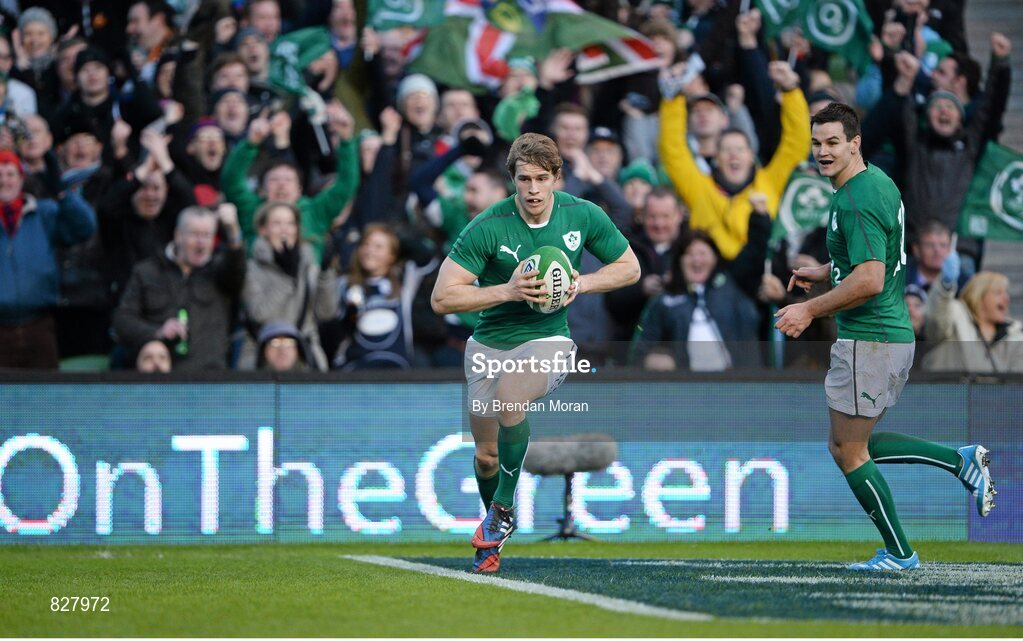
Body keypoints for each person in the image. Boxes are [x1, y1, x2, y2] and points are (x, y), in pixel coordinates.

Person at [774, 103, 996, 571]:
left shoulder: (855, 198)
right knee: (853, 445)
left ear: (855, 143)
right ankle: (960, 463)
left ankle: (901, 552)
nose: (823, 152)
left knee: (848, 450)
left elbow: (871, 278)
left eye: (833, 142)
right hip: (884, 335)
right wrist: (826, 271)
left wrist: (809, 309)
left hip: (871, 338)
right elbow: (877, 258)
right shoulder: (875, 182)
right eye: (817, 143)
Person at [430, 133, 639, 573]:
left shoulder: (582, 214)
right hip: (489, 344)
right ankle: (492, 542)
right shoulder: (488, 225)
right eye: (524, 179)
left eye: (542, 179)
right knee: (486, 456)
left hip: (549, 340)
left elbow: (629, 268)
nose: (533, 189)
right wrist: (507, 290)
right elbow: (442, 298)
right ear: (512, 179)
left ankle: (503, 508)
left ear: (557, 177)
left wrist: (582, 282)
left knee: (511, 396)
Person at [924, 270, 1023, 373]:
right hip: (943, 383)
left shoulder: (1015, 334)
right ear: (979, 294)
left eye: (1006, 293)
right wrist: (944, 288)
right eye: (998, 292)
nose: (1006, 298)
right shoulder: (955, 313)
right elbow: (936, 322)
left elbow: (1017, 379)